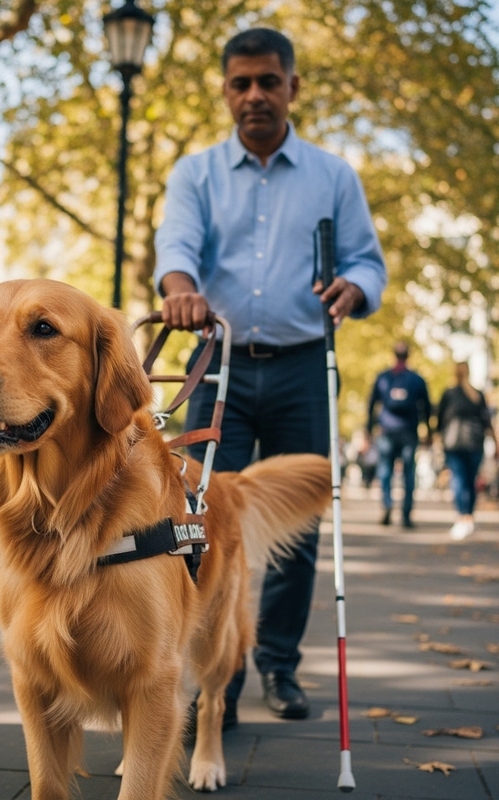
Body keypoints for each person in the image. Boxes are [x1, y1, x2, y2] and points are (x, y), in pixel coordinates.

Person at [153, 28, 386, 724]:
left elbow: (369, 262)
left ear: (293, 87)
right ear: (226, 91)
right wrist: (180, 289)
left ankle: (278, 668)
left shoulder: (333, 175)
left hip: (301, 368)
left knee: (298, 529)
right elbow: (176, 247)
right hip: (215, 366)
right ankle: (204, 677)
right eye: (240, 83)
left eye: (268, 81)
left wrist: (355, 288)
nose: (254, 94)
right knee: (192, 524)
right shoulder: (194, 173)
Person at [366, 342, 432, 528]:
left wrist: (369, 429)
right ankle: (406, 513)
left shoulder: (383, 377)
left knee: (385, 470)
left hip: (387, 430)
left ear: (393, 355)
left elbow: (371, 404)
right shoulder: (416, 379)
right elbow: (426, 407)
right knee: (408, 473)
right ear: (408, 356)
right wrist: (429, 431)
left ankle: (387, 503)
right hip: (409, 431)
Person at [437, 362, 498, 540]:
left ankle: (461, 515)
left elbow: (440, 421)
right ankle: (468, 516)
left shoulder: (449, 394)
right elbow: (486, 420)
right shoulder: (476, 395)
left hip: (454, 443)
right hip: (474, 443)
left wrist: (437, 437)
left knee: (459, 479)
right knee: (469, 481)